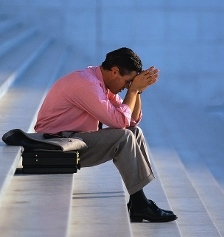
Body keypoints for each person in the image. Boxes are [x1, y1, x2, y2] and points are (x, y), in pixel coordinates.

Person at [34, 47, 177, 222]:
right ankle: (140, 205)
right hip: (57, 144)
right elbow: (119, 122)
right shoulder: (87, 84)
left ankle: (138, 201)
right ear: (115, 71)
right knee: (123, 137)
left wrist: (137, 91)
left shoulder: (102, 82)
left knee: (134, 132)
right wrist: (133, 91)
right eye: (127, 82)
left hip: (73, 139)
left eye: (130, 84)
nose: (126, 87)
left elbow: (130, 121)